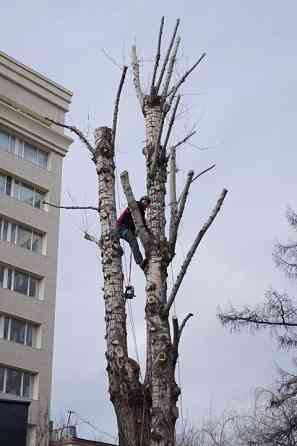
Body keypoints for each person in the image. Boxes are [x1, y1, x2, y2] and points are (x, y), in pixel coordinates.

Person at [116, 196, 150, 269]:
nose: (145, 203)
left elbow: (142, 224)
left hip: (123, 229)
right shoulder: (137, 205)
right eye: (144, 201)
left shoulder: (141, 213)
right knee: (132, 240)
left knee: (133, 241)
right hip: (121, 227)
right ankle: (140, 261)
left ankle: (140, 261)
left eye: (147, 203)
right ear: (141, 201)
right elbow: (142, 223)